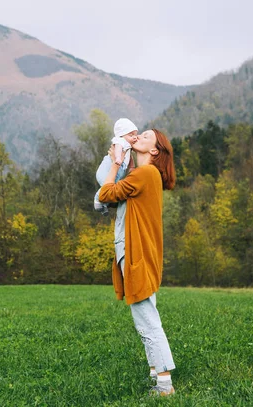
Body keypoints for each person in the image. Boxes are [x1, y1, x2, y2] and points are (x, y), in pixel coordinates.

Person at [98, 128, 177, 397]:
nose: (138, 138)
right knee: (145, 313)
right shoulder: (145, 174)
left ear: (154, 151)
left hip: (136, 253)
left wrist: (117, 161)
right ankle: (156, 375)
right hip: (142, 252)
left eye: (145, 137)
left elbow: (105, 194)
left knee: (146, 319)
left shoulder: (144, 174)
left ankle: (165, 385)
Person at [93, 118, 138, 215]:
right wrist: (117, 158)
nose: (134, 137)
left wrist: (132, 167)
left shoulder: (128, 145)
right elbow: (117, 149)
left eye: (135, 135)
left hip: (116, 170)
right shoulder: (120, 141)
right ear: (121, 135)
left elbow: (130, 158)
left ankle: (104, 206)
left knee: (113, 189)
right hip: (107, 171)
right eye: (131, 135)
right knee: (108, 186)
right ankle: (97, 198)